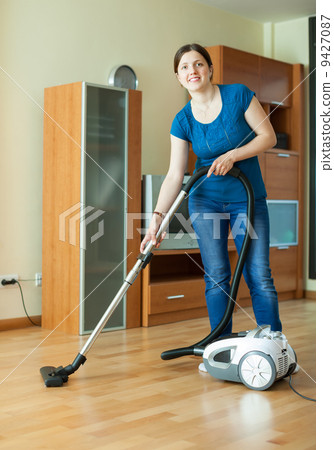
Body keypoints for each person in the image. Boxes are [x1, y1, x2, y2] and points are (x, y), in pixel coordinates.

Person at [140, 43, 282, 370]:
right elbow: (176, 174)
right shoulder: (182, 120)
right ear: (178, 77)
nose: (193, 71)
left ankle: (275, 347)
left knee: (258, 274)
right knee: (217, 275)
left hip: (247, 198)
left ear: (209, 69)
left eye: (199, 64)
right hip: (205, 199)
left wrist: (234, 155)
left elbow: (268, 137)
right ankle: (220, 350)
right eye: (185, 67)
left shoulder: (238, 96)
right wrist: (157, 219)